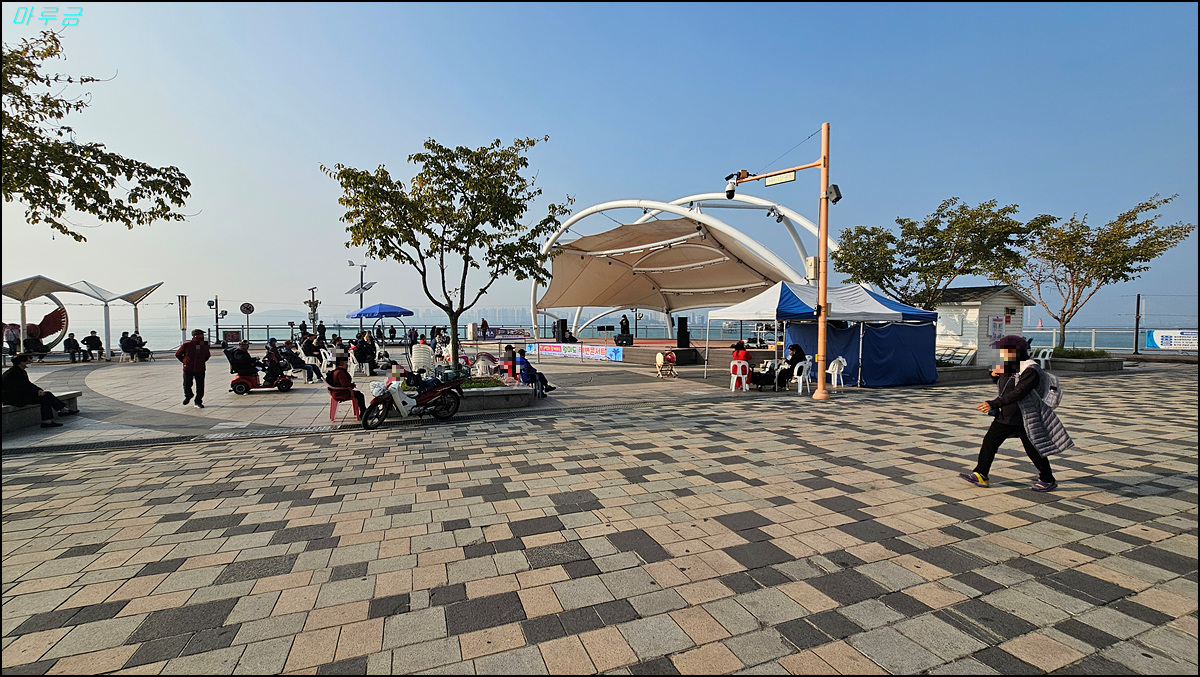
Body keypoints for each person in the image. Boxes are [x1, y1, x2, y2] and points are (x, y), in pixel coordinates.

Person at [962, 335, 1072, 493]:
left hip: (1025, 416)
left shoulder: (1031, 369)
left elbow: (1019, 392)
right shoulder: (1010, 365)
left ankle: (1047, 479)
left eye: (1004, 350)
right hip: (1006, 415)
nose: (1001, 353)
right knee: (989, 442)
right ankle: (981, 474)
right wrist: (994, 375)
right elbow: (1004, 385)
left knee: (1033, 449)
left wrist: (993, 403)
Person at [3, 354, 79, 428]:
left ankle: (61, 411)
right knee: (44, 398)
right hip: (13, 398)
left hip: (20, 395)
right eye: (28, 361)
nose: (30, 362)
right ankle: (49, 420)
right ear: (22, 362)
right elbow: (19, 388)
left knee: (47, 394)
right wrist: (36, 392)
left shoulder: (20, 371)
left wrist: (39, 390)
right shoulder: (12, 374)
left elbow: (28, 384)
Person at [175, 329, 211, 408]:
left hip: (200, 369)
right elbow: (178, 354)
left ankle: (198, 401)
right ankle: (188, 395)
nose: (202, 337)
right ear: (195, 336)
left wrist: (201, 361)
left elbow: (207, 355)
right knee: (187, 384)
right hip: (188, 368)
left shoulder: (204, 346)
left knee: (200, 386)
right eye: (201, 335)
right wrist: (185, 361)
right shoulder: (187, 345)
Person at [326, 355, 365, 419]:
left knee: (358, 393)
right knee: (360, 395)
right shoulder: (340, 372)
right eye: (346, 363)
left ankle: (363, 411)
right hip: (341, 393)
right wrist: (352, 385)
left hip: (335, 392)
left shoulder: (336, 371)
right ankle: (363, 412)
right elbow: (345, 384)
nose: (347, 364)